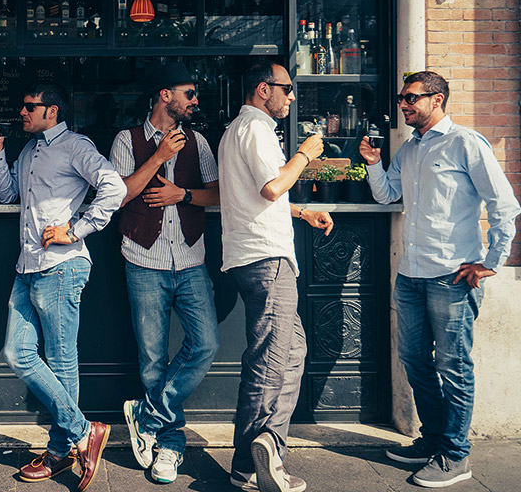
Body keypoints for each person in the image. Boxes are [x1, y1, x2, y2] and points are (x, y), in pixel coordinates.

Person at [360, 71, 519, 488]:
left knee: (454, 367)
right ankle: (432, 439)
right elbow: (387, 195)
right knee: (415, 362)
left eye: (411, 97)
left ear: (438, 99)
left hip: (453, 277)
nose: (403, 104)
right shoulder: (409, 149)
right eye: (402, 98)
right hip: (411, 275)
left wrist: (492, 261)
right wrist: (374, 164)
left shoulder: (466, 142)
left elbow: (504, 205)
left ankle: (456, 455)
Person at [0, 82, 125, 492]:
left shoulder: (75, 146)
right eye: (23, 106)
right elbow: (7, 194)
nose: (22, 112)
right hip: (27, 266)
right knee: (18, 353)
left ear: (52, 111)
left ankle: (62, 450)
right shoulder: (29, 151)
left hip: (62, 267)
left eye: (30, 107)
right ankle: (83, 432)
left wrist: (76, 229)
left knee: (62, 362)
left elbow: (114, 187)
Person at [218, 60, 333, 492]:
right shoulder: (257, 129)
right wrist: (305, 153)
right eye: (287, 88)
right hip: (267, 259)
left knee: (292, 351)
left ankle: (266, 442)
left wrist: (301, 212)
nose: (292, 96)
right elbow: (271, 187)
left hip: (253, 256)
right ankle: (250, 465)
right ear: (264, 89)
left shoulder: (238, 130)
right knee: (269, 360)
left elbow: (254, 195)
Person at [109, 63, 220, 484]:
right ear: (164, 95)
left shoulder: (199, 141)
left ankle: (148, 415)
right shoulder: (127, 140)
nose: (195, 101)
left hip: (190, 260)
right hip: (144, 260)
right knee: (152, 361)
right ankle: (169, 445)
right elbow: (119, 195)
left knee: (206, 344)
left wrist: (183, 194)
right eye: (189, 93)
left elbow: (217, 194)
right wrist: (158, 157)